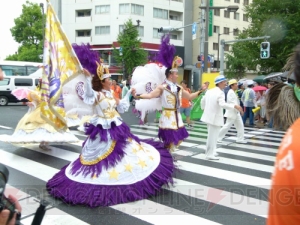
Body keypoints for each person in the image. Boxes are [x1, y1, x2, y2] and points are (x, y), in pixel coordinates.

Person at [46, 62, 175, 207]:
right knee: (103, 161)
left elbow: (121, 105)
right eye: (108, 79)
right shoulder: (96, 95)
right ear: (103, 82)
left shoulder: (109, 94)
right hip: (102, 130)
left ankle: (127, 173)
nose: (111, 80)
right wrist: (88, 79)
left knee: (128, 152)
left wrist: (128, 95)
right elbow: (88, 94)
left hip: (117, 126)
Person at [132, 61, 201, 152]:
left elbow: (189, 96)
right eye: (176, 74)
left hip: (177, 116)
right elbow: (150, 96)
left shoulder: (179, 88)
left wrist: (201, 91)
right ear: (170, 75)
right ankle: (167, 156)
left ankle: (169, 155)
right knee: (169, 141)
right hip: (168, 116)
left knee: (177, 140)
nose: (177, 76)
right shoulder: (162, 87)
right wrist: (137, 95)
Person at [0, 79, 79, 150]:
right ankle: (43, 143)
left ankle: (44, 143)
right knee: (42, 128)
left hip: (48, 111)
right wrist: (32, 103)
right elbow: (36, 102)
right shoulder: (36, 92)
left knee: (48, 128)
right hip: (40, 112)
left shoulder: (49, 92)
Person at [201, 75, 243, 160]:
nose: (226, 83)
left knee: (213, 136)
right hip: (214, 117)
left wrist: (204, 109)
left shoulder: (209, 91)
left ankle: (212, 152)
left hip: (208, 116)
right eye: (224, 82)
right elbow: (222, 104)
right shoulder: (220, 92)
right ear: (219, 83)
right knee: (212, 136)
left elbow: (203, 101)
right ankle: (209, 154)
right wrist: (234, 106)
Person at [217, 79, 246, 144]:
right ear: (232, 85)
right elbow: (233, 103)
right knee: (227, 126)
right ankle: (217, 138)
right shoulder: (230, 92)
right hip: (232, 112)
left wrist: (239, 110)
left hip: (235, 112)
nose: (237, 85)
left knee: (240, 125)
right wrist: (240, 109)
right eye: (235, 84)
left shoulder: (233, 92)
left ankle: (240, 139)